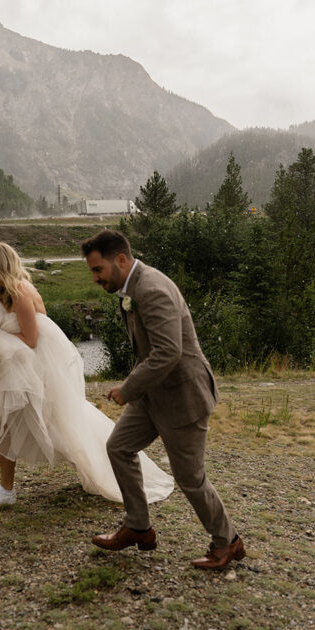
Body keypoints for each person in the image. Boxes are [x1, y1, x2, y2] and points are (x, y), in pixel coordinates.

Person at [81, 229, 245, 569]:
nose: (95, 278)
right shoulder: (133, 288)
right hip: (154, 394)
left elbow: (168, 352)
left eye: (98, 270)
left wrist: (127, 389)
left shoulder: (152, 289)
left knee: (190, 478)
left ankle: (227, 542)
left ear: (121, 260)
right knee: (119, 446)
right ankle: (139, 526)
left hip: (183, 396)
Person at [0, 241, 174, 509]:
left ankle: (107, 470)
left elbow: (30, 338)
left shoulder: (19, 291)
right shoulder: (7, 291)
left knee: (62, 426)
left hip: (36, 369)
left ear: (1, 266)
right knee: (10, 422)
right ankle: (6, 489)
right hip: (23, 369)